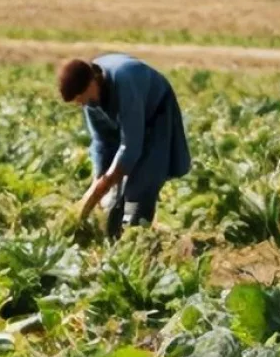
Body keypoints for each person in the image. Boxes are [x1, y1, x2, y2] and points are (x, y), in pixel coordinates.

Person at [57, 55, 190, 239]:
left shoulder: (124, 83)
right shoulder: (91, 101)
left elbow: (131, 146)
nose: (81, 104)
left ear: (92, 83)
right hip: (127, 120)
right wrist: (99, 179)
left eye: (81, 99)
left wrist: (107, 180)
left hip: (156, 113)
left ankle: (137, 234)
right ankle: (115, 232)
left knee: (142, 181)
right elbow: (102, 143)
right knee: (112, 193)